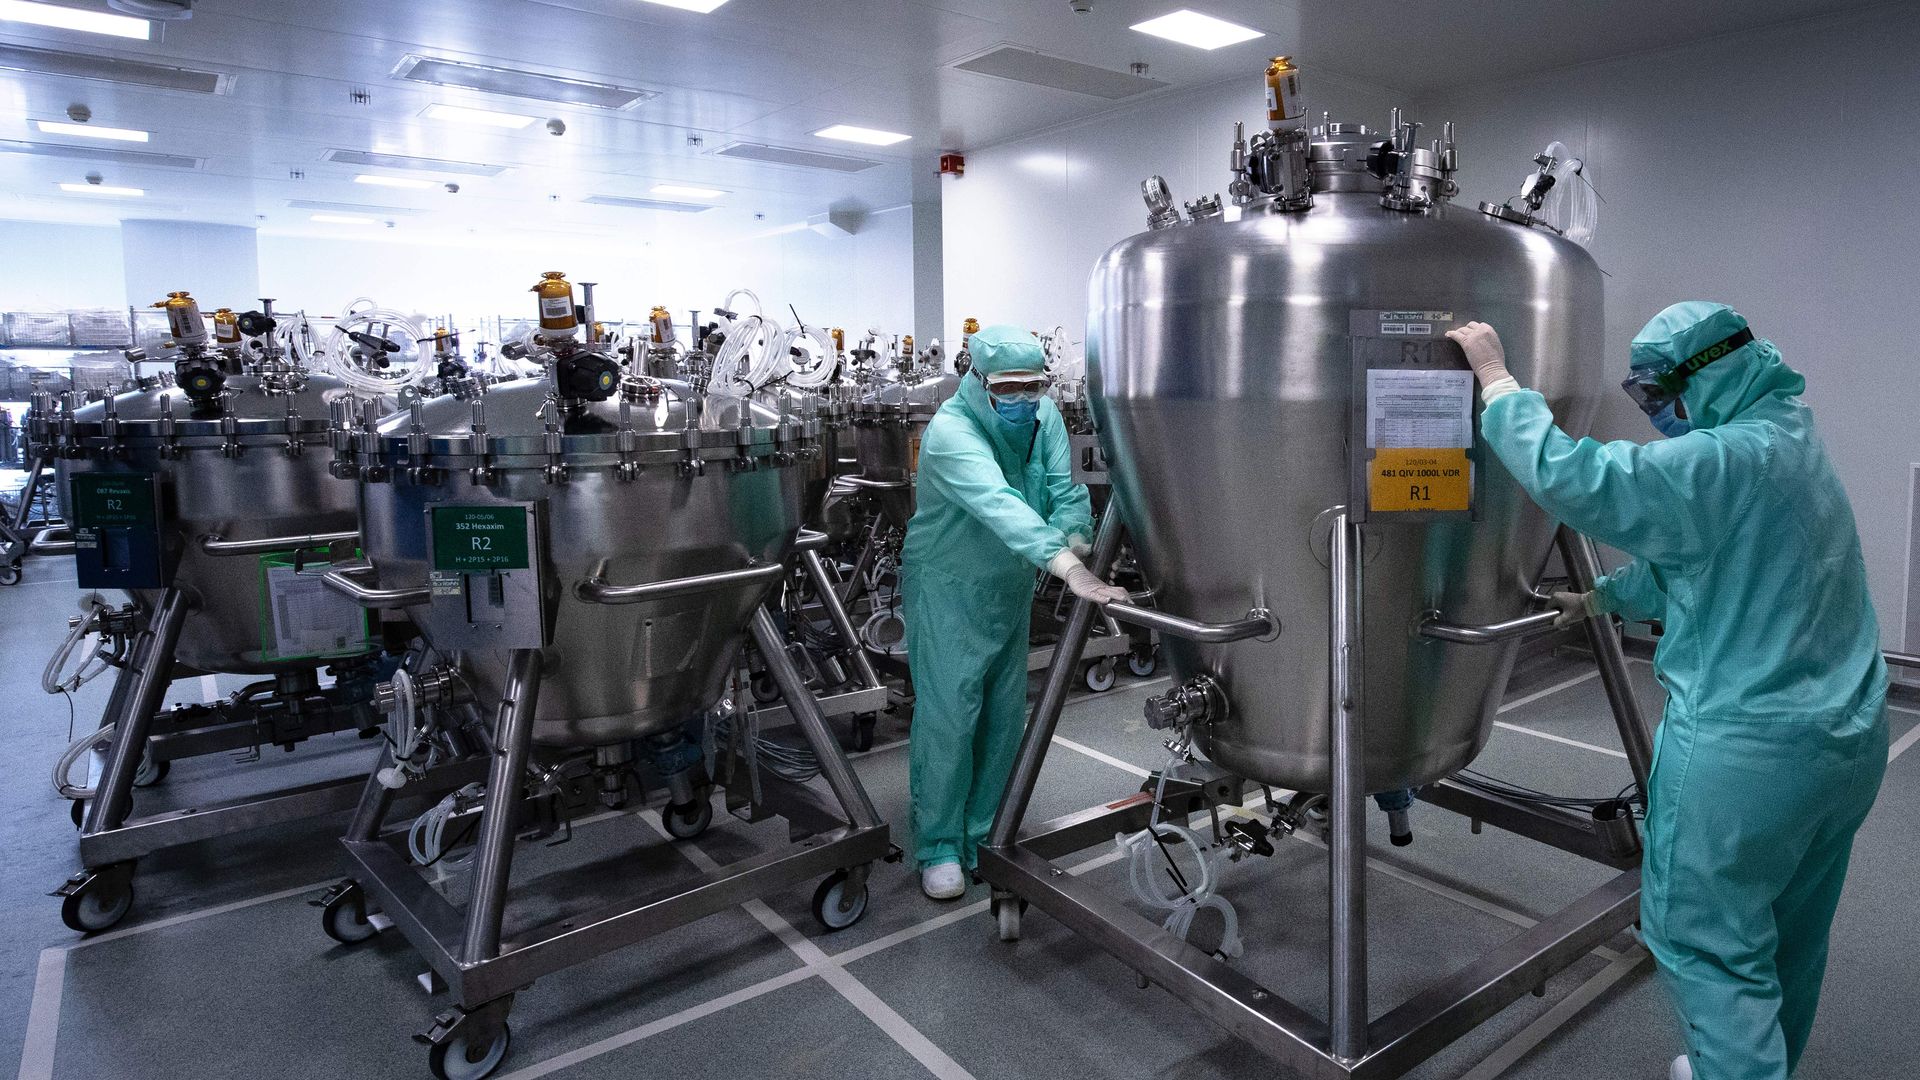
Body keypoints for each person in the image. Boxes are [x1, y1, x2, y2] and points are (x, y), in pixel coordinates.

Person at [1447, 304, 1887, 1080]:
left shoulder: (1720, 459)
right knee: (1788, 929)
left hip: (1748, 754)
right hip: (1848, 738)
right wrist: (1601, 597)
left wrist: (1496, 380)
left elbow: (1574, 478)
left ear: (1707, 372)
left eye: (1656, 392)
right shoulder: (1787, 437)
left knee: (1701, 937)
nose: (1654, 411)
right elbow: (1702, 563)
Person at [901, 324, 1127, 900]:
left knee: (1003, 715)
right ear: (977, 380)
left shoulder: (1043, 416)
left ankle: (983, 831)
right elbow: (999, 503)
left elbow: (1063, 485)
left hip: (1010, 582)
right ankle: (939, 844)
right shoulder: (950, 432)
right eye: (1008, 388)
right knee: (950, 715)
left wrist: (1075, 532)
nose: (1023, 399)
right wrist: (1066, 566)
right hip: (948, 584)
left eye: (1033, 386)